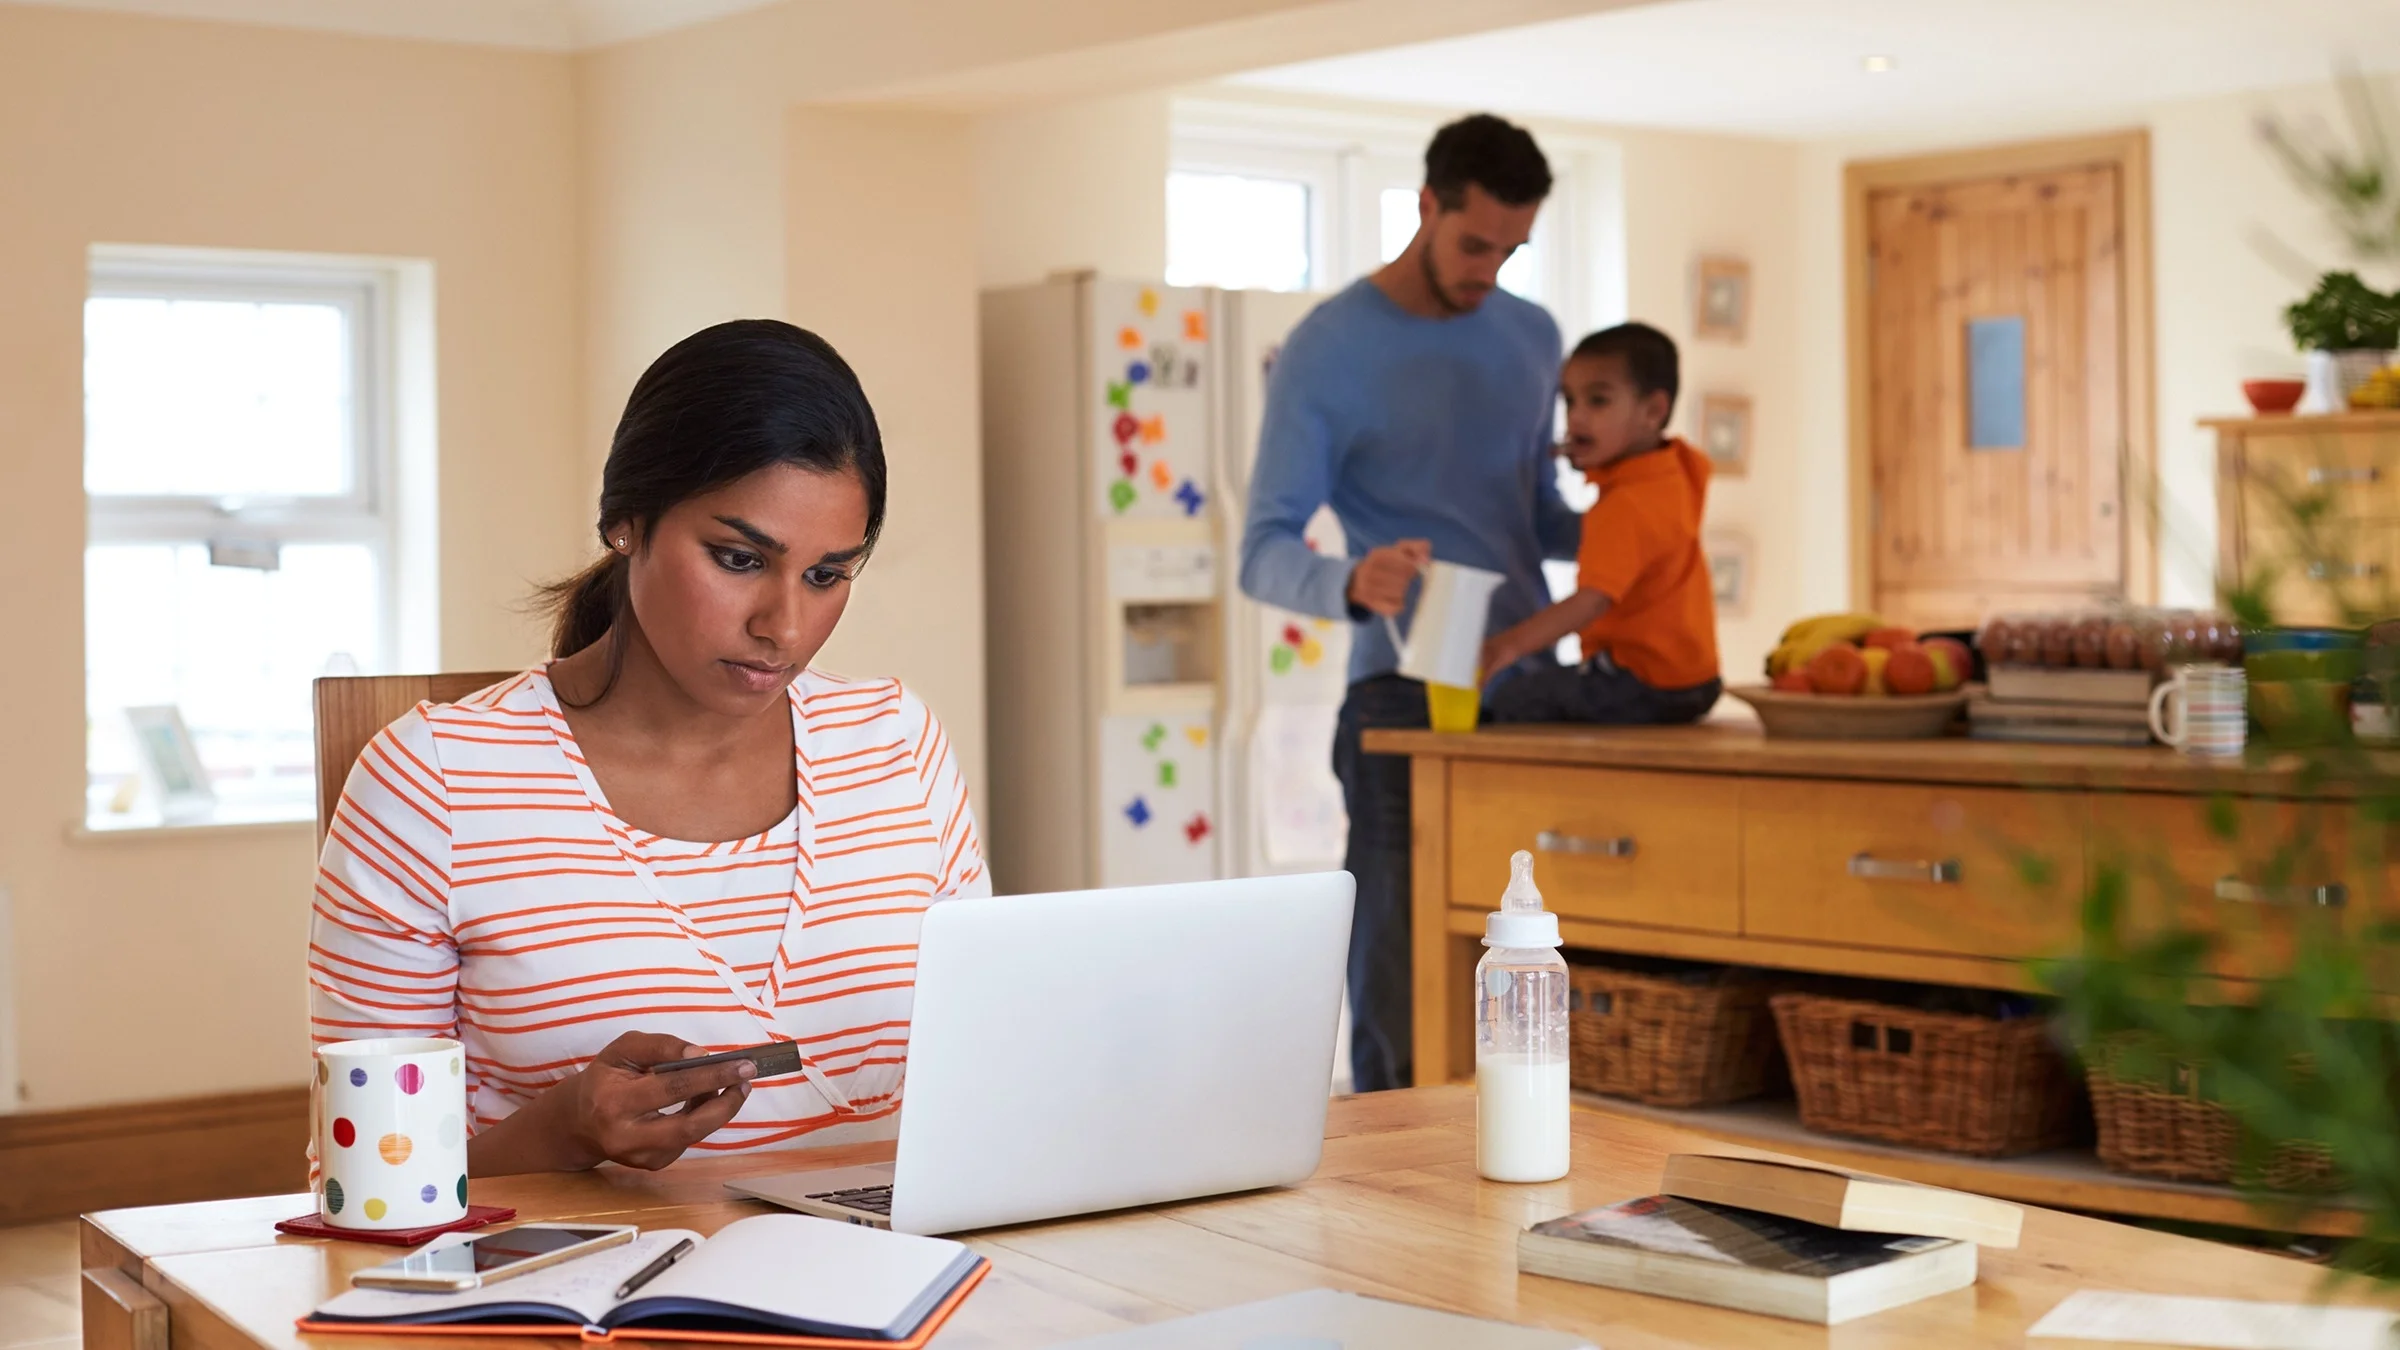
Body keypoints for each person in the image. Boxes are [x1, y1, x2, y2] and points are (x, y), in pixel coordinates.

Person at [307, 320, 988, 1174]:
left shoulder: (897, 744)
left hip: (905, 1287)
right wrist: (563, 1133)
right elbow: (364, 1180)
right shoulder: (431, 783)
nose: (784, 627)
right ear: (627, 522)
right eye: (739, 558)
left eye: (826, 576)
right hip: (598, 1299)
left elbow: (982, 1080)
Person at [1239, 114, 1577, 1093]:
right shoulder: (1329, 349)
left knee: (1539, 965)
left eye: (1511, 250)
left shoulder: (1532, 335)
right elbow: (1262, 551)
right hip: (1402, 694)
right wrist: (1349, 579)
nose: (1489, 271)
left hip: (1527, 687)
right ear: (1426, 207)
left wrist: (1644, 527)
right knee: (1400, 981)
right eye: (1474, 245)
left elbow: (1537, 517)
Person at [1479, 323, 1723, 724]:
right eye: (1569, 401)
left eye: (1598, 401)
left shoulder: (1624, 504)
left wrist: (1506, 646)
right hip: (1696, 681)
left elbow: (1591, 601)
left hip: (1640, 682)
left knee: (1509, 699)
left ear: (1653, 411)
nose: (1576, 418)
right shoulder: (1676, 470)